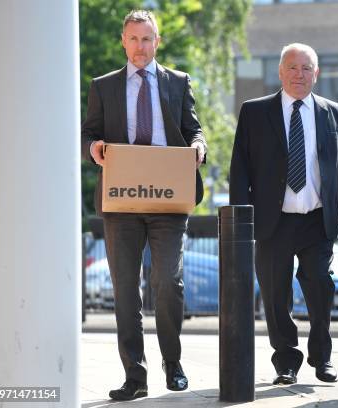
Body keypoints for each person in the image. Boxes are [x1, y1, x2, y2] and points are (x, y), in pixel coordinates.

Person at [81, 10, 207, 401]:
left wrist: (199, 148)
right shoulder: (103, 86)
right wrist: (94, 148)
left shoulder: (178, 82)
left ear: (157, 41)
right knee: (125, 290)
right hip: (121, 201)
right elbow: (89, 133)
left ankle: (173, 362)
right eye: (133, 39)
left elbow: (193, 129)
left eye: (147, 39)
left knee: (168, 280)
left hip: (169, 199)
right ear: (123, 41)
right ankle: (135, 375)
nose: (140, 47)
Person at [229, 43, 338, 385]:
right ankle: (286, 362)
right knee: (275, 296)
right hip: (273, 222)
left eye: (306, 68)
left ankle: (322, 357)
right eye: (292, 67)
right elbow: (240, 167)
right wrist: (239, 215)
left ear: (316, 74)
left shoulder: (334, 113)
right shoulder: (255, 112)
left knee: (320, 288)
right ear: (280, 72)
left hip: (317, 219)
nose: (299, 74)